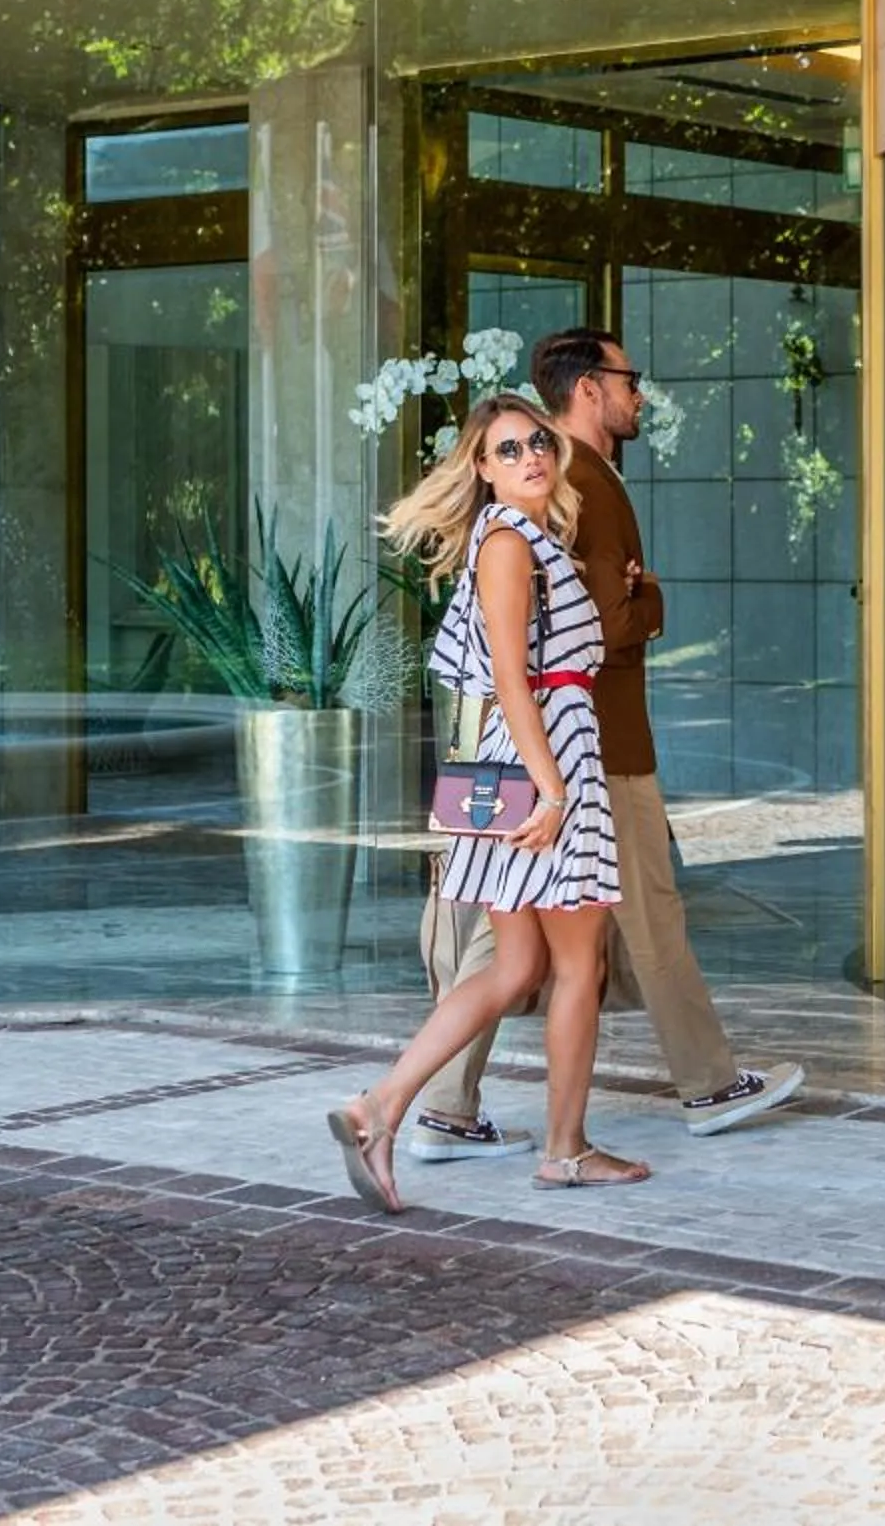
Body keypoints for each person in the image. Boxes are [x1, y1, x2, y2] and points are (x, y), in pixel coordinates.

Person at [401, 327, 802, 1164]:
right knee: (641, 918)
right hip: (588, 747)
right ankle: (690, 1090)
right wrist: (649, 600)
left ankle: (443, 1106)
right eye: (630, 379)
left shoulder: (557, 494)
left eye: (531, 444)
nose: (640, 395)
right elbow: (596, 630)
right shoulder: (572, 493)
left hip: (560, 747)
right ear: (590, 388)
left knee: (517, 943)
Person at [326, 394, 647, 1212]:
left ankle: (382, 1107)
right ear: (481, 466)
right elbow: (512, 678)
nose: (532, 456)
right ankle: (565, 1151)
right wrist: (553, 786)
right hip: (544, 759)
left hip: (531, 756)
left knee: (519, 965)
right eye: (508, 450)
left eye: (538, 441)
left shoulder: (530, 539)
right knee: (580, 964)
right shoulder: (508, 543)